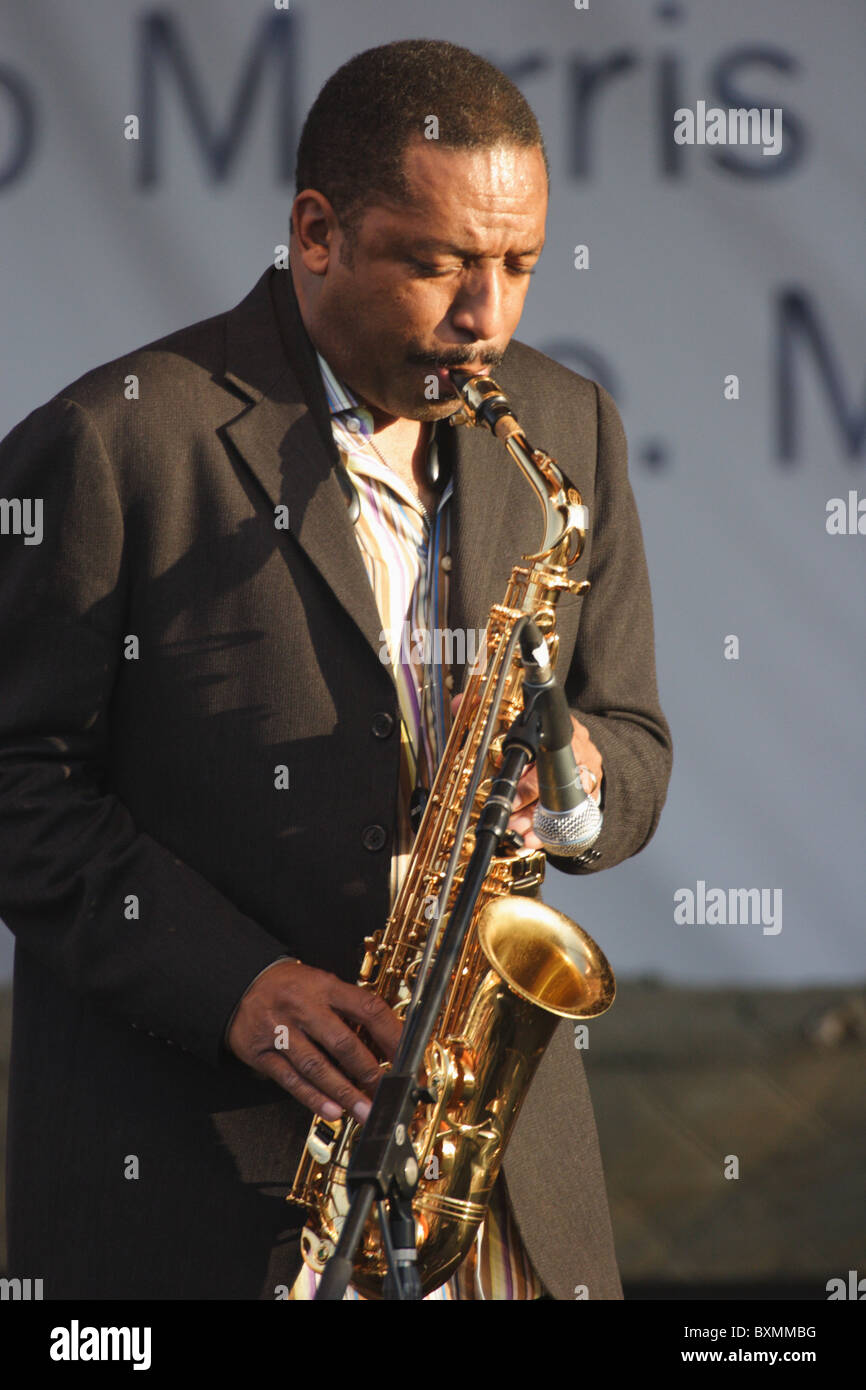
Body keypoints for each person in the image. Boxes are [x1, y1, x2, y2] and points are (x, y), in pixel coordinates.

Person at [0, 39, 671, 1300]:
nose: (489, 315)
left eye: (517, 264)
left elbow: (633, 738)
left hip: (496, 1195)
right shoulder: (115, 441)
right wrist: (240, 985)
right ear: (316, 232)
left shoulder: (567, 422)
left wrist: (571, 778)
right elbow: (17, 786)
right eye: (439, 264)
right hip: (205, 1194)